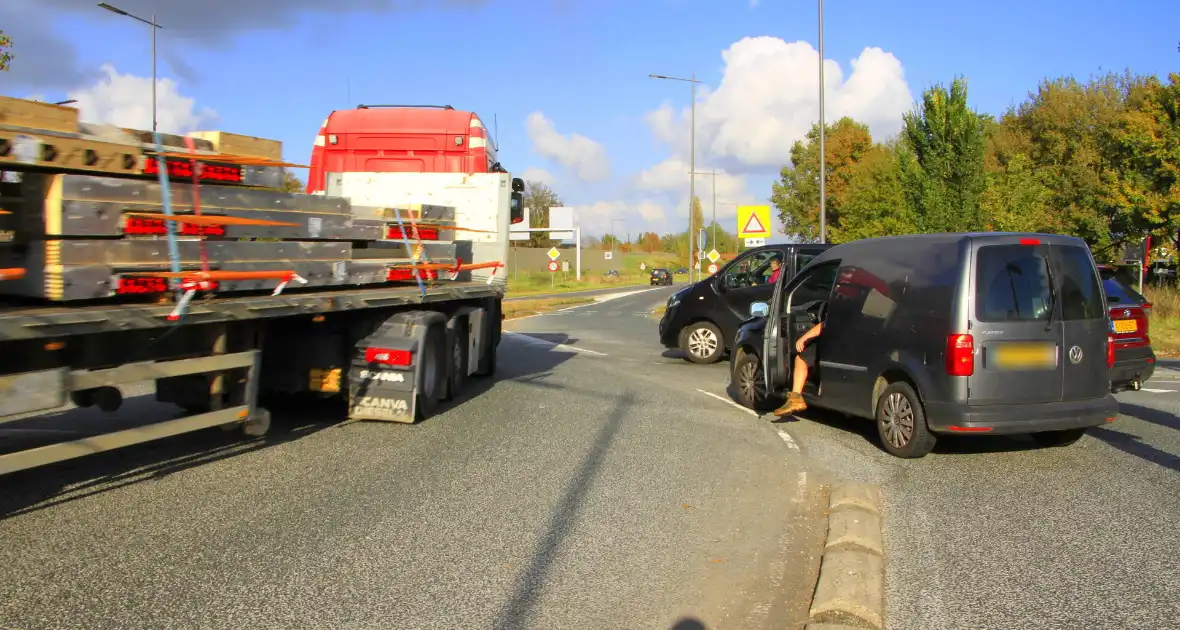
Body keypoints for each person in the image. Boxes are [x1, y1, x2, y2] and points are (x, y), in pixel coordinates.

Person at [774, 303, 825, 417]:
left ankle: (796, 397)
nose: (837, 288)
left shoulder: (844, 299)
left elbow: (824, 324)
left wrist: (804, 338)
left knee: (802, 356)